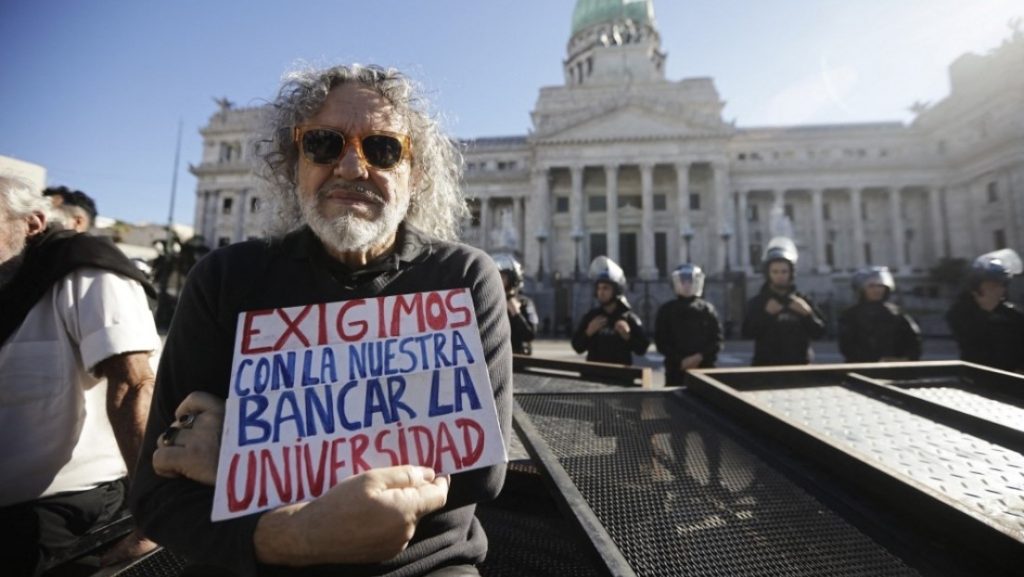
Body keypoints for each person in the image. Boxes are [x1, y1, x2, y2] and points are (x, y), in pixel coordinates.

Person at [129, 64, 512, 577]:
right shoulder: (225, 279)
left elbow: (480, 470)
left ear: (415, 173)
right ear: (293, 164)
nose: (352, 168)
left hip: (425, 566)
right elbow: (157, 494)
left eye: (382, 148)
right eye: (324, 144)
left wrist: (243, 453)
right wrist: (295, 535)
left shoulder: (461, 276)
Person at [0, 176, 160, 574]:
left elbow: (134, 385)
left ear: (32, 223)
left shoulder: (86, 271)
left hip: (64, 514)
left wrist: (156, 514)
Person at [741, 237, 826, 365]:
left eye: (784, 271)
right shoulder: (759, 302)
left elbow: (819, 333)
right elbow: (747, 332)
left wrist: (808, 314)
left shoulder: (802, 301)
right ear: (768, 274)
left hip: (799, 367)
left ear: (791, 273)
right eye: (775, 272)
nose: (779, 276)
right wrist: (766, 315)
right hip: (766, 368)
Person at [946, 249, 1024, 372]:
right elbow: (970, 341)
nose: (999, 290)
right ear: (977, 287)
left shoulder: (1012, 314)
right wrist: (985, 312)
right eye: (992, 285)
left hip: (1011, 380)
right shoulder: (961, 312)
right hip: (978, 377)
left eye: (1001, 285)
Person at [571, 256, 650, 365]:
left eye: (606, 288)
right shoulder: (592, 317)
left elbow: (642, 349)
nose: (601, 292)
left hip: (620, 378)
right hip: (594, 376)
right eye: (599, 288)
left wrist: (628, 336)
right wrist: (588, 332)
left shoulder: (628, 318)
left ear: (616, 290)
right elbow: (577, 347)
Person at [654, 263, 723, 385]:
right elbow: (661, 341)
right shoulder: (667, 310)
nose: (687, 285)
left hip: (704, 368)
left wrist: (699, 357)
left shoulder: (707, 309)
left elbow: (717, 340)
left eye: (690, 281)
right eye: (683, 281)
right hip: (676, 370)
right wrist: (680, 360)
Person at [838, 266, 922, 363]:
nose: (877, 290)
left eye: (880, 286)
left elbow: (914, 341)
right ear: (861, 289)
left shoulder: (897, 313)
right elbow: (847, 346)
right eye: (871, 286)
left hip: (894, 370)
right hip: (861, 368)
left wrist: (903, 359)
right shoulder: (850, 315)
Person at [492, 253, 538, 354]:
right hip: (497, 358)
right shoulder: (491, 302)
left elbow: (530, 334)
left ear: (512, 278)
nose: (498, 281)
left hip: (519, 358)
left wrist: (516, 314)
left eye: (502, 277)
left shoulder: (524, 303)